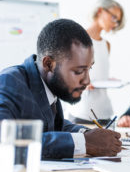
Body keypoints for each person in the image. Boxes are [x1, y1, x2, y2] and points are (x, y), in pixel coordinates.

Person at [0, 19, 122, 159]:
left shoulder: (47, 85)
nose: (87, 80)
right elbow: (6, 141)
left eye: (89, 68)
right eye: (78, 71)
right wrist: (85, 142)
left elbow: (55, 127)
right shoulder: (8, 83)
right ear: (49, 64)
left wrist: (87, 134)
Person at [67, 0, 125, 124]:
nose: (115, 24)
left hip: (104, 113)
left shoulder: (106, 45)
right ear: (100, 11)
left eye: (118, 21)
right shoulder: (77, 39)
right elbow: (66, 73)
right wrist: (80, 83)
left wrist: (107, 81)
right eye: (113, 17)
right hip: (83, 112)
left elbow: (97, 73)